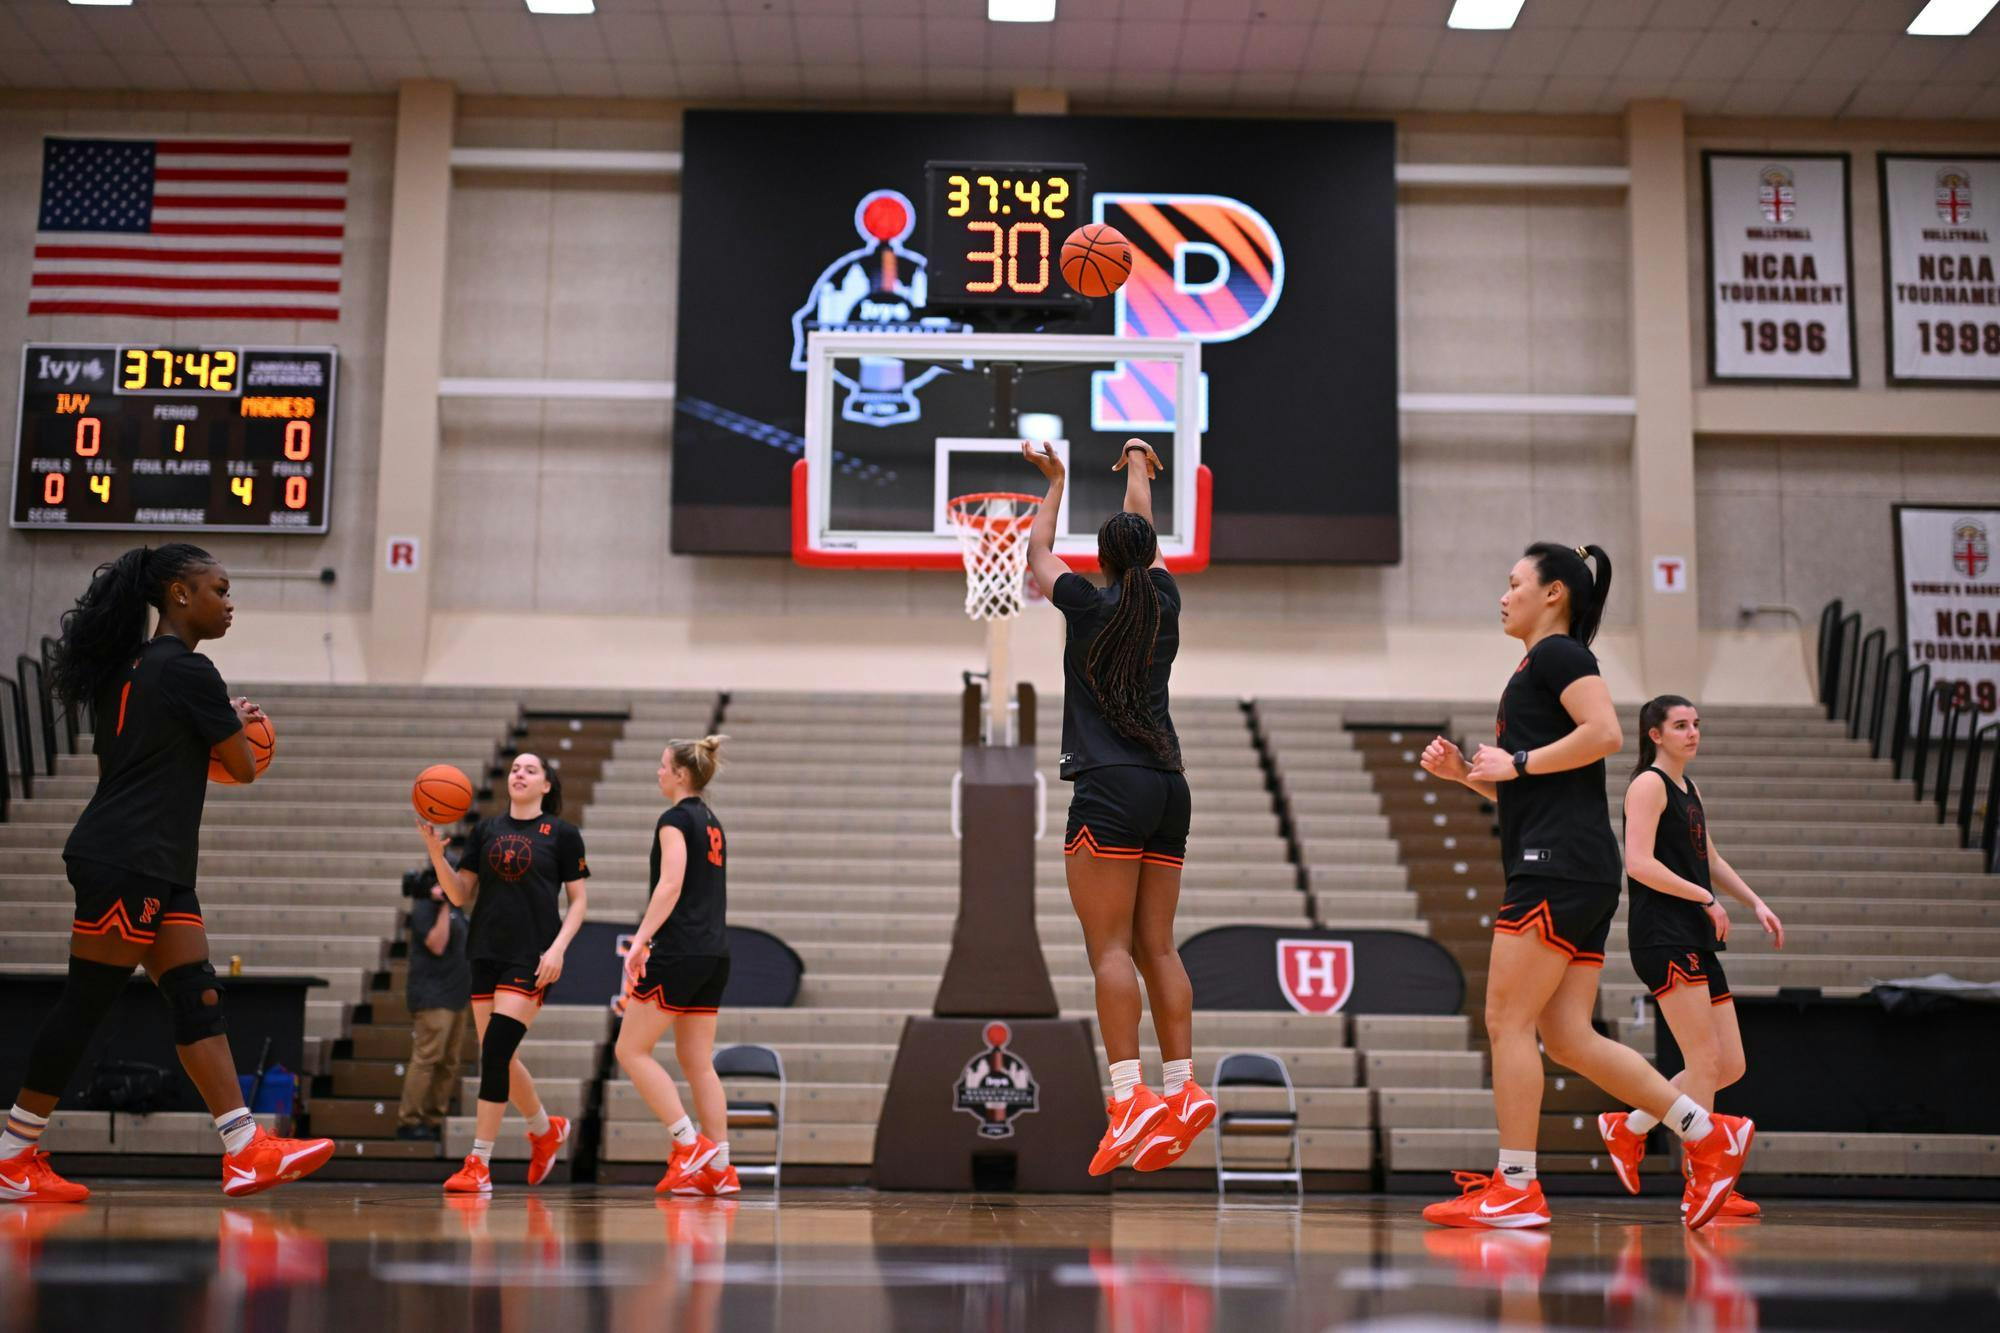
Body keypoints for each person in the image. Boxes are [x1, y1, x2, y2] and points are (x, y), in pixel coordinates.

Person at [1417, 544, 1754, 1231]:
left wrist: (1513, 760)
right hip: (1577, 865)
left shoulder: (1560, 655)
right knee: (1567, 1036)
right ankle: (1707, 1135)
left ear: (1555, 593)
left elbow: (1602, 733)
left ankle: (1516, 1186)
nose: (1503, 594)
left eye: (1514, 583)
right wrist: (1466, 776)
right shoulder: (1538, 665)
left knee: (1506, 1023)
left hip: (1557, 866)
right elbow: (1543, 777)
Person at [1, 544, 335, 1203]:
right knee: (86, 1002)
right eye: (220, 588)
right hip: (130, 855)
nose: (229, 600)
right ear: (180, 593)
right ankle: (13, 1151)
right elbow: (244, 766)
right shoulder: (189, 672)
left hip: (153, 858)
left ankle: (244, 1149)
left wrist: (215, 728)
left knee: (196, 994)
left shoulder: (127, 670)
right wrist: (240, 724)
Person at [1020, 437, 1213, 1176]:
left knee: (1108, 947)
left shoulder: (1085, 601)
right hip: (1170, 784)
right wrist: (1137, 460)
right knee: (1156, 945)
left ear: (1100, 560)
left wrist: (1058, 482)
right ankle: (1184, 1086)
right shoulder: (1163, 595)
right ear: (1151, 556)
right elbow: (1141, 527)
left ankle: (1129, 1098)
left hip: (1109, 783)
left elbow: (1038, 551)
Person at [1599, 695, 1785, 1220]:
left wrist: (1754, 901)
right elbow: (1636, 863)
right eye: (1680, 725)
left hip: (1694, 934)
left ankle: (1629, 1125)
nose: (1692, 732)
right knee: (1703, 1060)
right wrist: (1704, 898)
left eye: (1696, 724)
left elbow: (1712, 858)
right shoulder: (1647, 785)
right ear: (1654, 734)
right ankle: (1698, 1183)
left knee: (1730, 1064)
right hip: (1662, 934)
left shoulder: (1690, 787)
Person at [417, 753, 588, 1194]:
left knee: (494, 1052)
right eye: (515, 768)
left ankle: (478, 1162)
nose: (519, 773)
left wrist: (558, 950)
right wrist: (438, 855)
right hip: (485, 953)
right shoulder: (486, 830)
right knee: (502, 1057)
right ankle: (544, 1130)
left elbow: (579, 903)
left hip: (531, 957)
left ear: (547, 785)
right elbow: (459, 894)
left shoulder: (563, 835)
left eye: (531, 770)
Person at [614, 736, 738, 1197]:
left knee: (630, 1051)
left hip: (681, 950)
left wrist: (640, 942)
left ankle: (687, 1143)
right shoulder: (713, 822)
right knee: (696, 1061)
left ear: (682, 775)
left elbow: (670, 885)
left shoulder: (674, 820)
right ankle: (720, 1166)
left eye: (663, 765)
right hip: (715, 954)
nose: (658, 771)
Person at [397, 864, 472, 1142]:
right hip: (432, 996)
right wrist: (443, 905)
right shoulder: (425, 908)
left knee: (449, 1062)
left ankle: (432, 1119)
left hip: (457, 996)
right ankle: (409, 1120)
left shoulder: (457, 910)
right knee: (427, 1058)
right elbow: (437, 944)